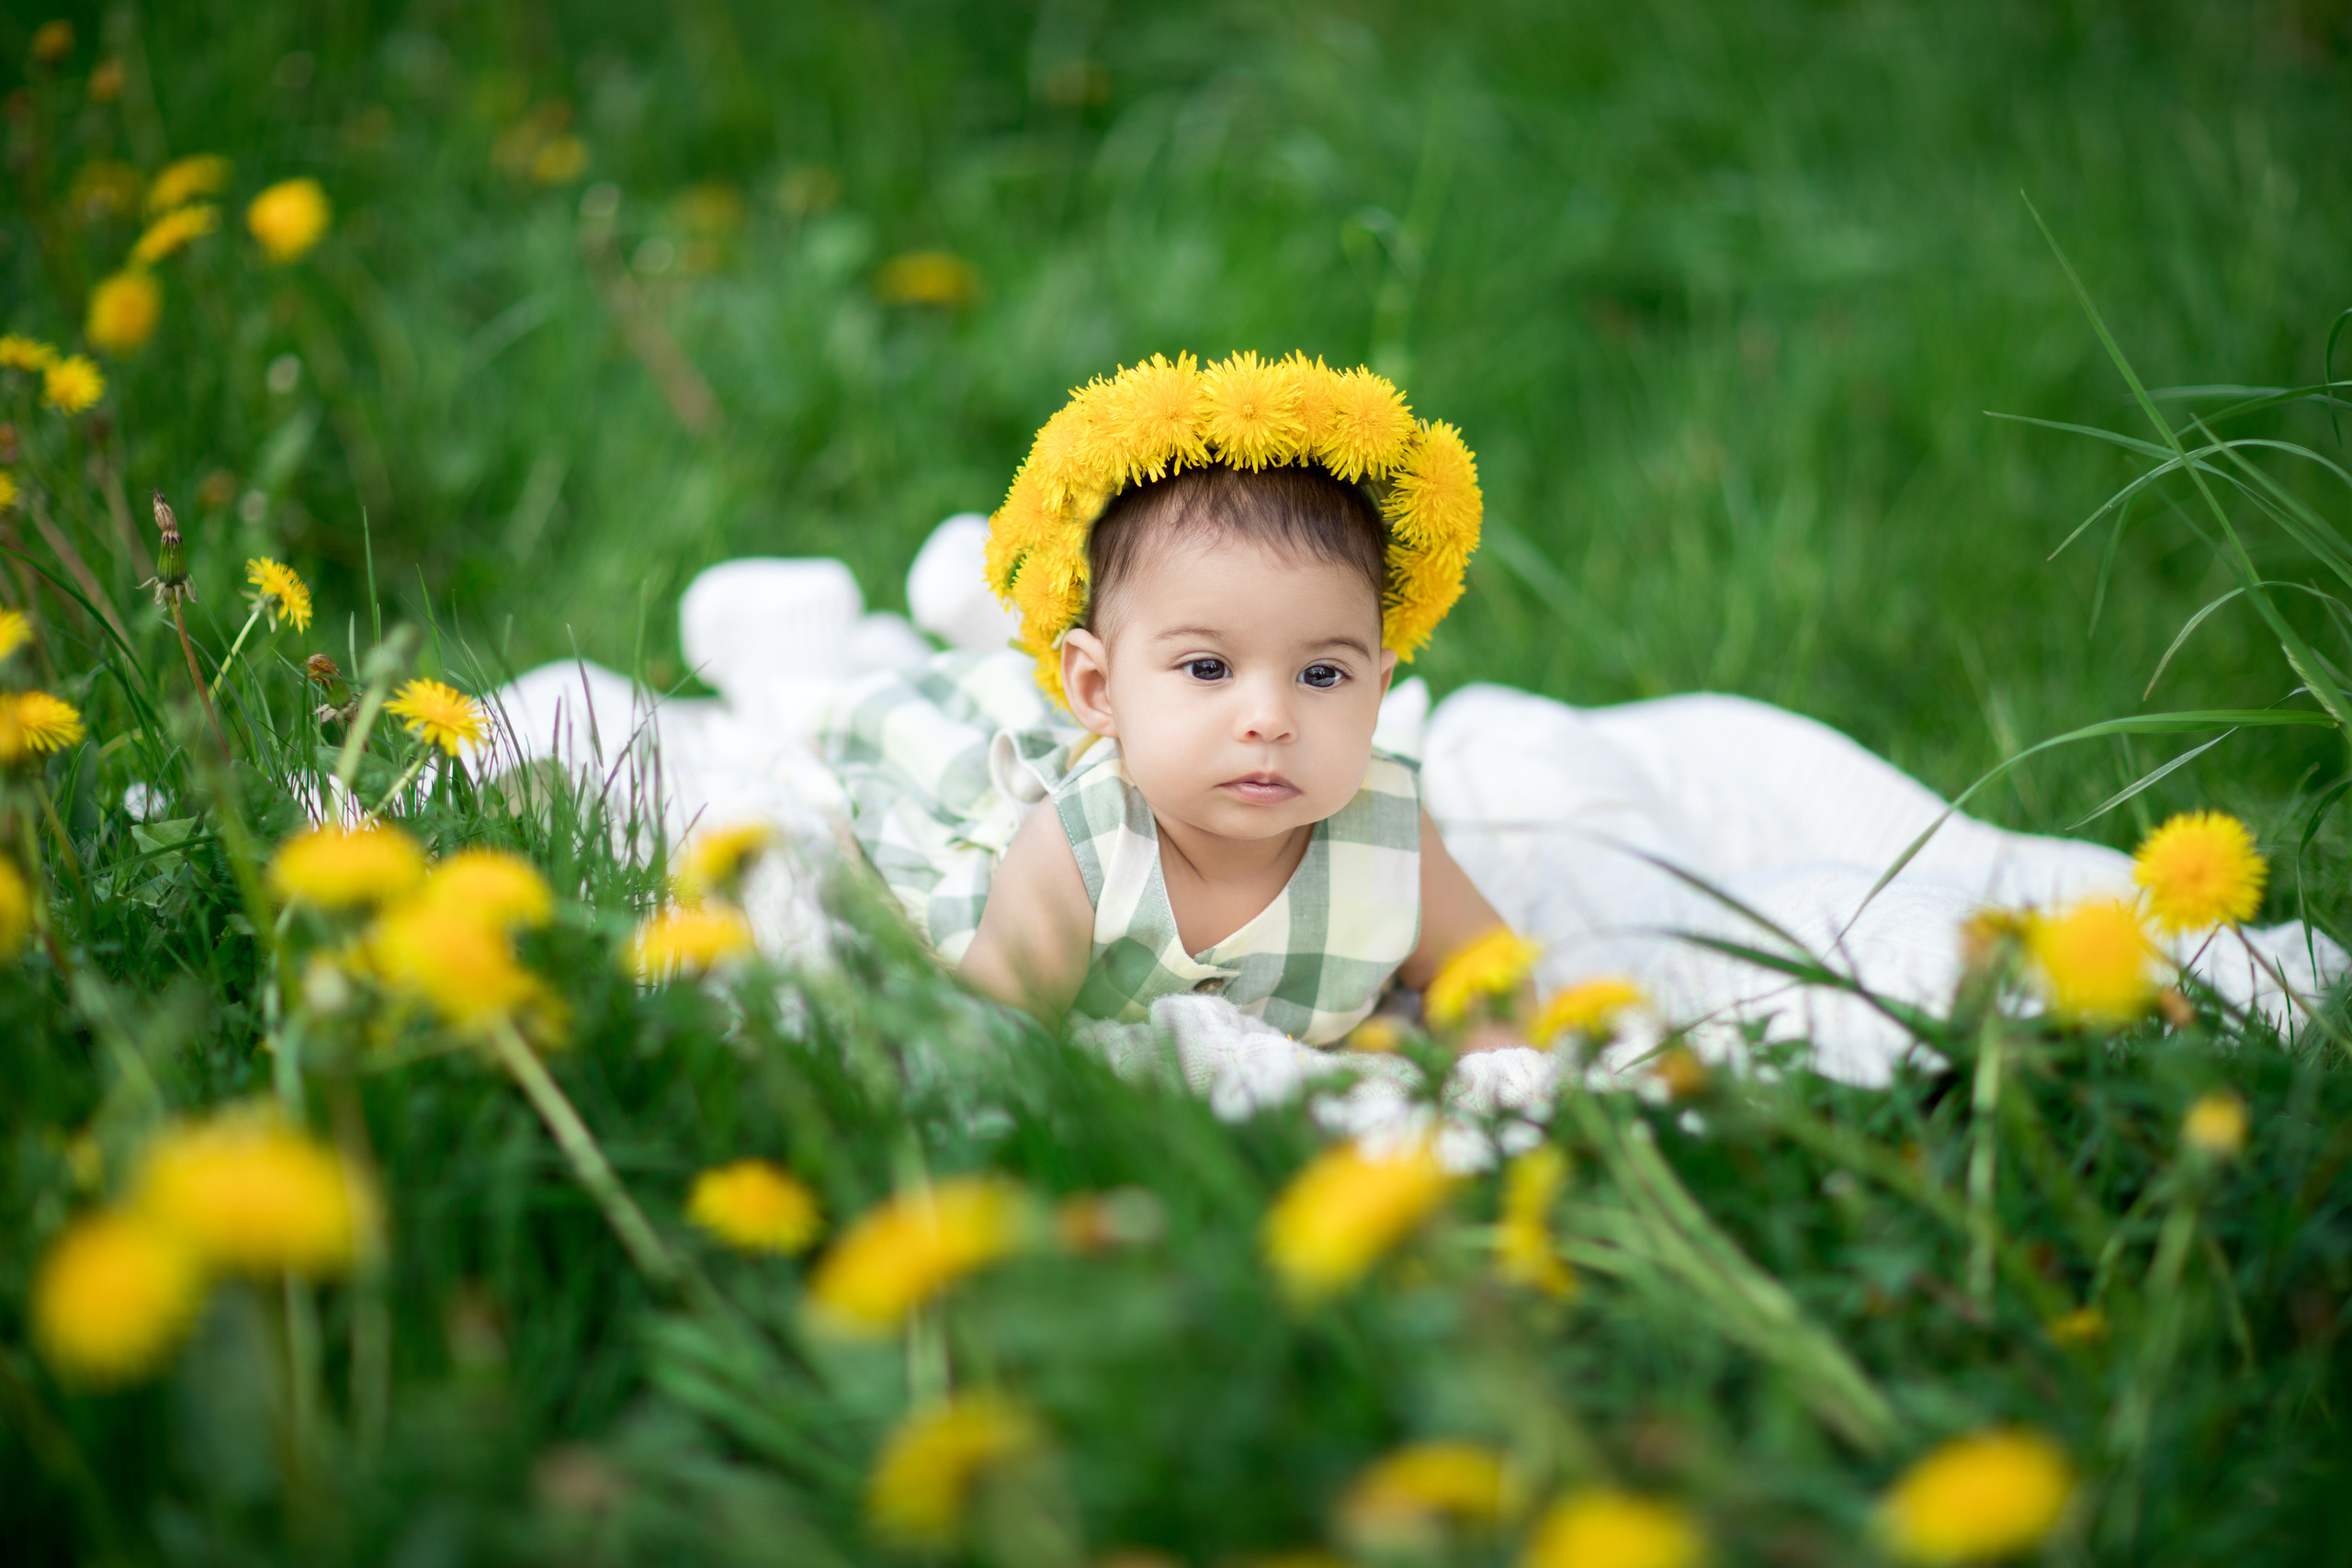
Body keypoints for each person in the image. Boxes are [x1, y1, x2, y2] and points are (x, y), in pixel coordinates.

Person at [823, 352, 1511, 1043]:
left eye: (1323, 675)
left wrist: (1502, 1082)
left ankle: (1003, 626)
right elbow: (991, 1041)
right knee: (937, 718)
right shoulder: (1077, 844)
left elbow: (1486, 972)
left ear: (1379, 690)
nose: (1270, 720)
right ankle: (937, 625)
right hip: (1015, 808)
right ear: (1097, 691)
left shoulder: (1393, 834)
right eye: (1209, 667)